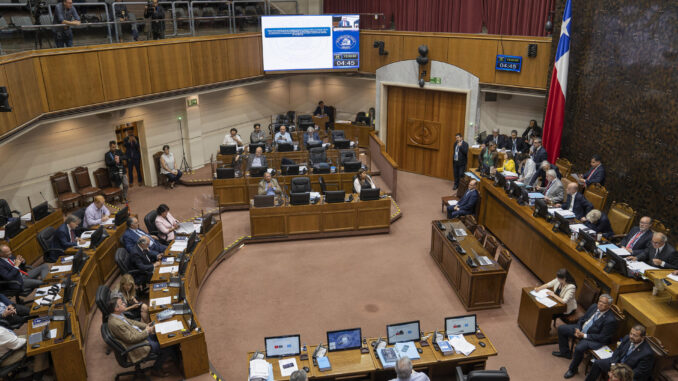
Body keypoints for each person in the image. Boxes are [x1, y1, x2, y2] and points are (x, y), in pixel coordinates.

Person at [553, 294, 617, 379]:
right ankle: (565, 353)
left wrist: (584, 335)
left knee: (579, 348)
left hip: (594, 339)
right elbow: (583, 319)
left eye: (603, 303)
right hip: (581, 330)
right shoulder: (594, 307)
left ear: (609, 306)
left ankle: (573, 369)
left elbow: (602, 337)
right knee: (561, 329)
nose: (600, 304)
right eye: (599, 301)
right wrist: (578, 329)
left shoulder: (610, 320)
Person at [107, 296, 173, 377]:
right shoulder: (116, 324)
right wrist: (147, 331)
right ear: (116, 309)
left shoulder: (117, 315)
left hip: (140, 335)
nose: (124, 303)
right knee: (167, 345)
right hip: (138, 346)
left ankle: (168, 356)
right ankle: (156, 369)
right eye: (121, 303)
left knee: (164, 336)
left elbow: (132, 322)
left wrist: (146, 325)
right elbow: (131, 339)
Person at [585, 324, 653, 381]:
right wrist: (613, 365)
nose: (631, 336)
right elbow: (618, 351)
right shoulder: (627, 338)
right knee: (597, 363)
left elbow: (639, 372)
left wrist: (618, 374)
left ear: (643, 337)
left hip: (627, 374)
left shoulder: (647, 353)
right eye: (631, 333)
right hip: (616, 364)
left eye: (635, 335)